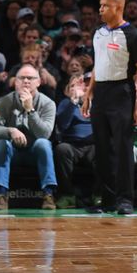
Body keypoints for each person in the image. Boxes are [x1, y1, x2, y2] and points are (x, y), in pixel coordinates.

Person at [81, 0, 137, 215]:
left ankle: (125, 199)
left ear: (118, 8)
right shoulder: (98, 33)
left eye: (104, 6)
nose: (100, 10)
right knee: (101, 148)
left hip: (122, 92)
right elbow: (97, 65)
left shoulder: (133, 35)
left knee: (122, 147)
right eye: (100, 5)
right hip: (100, 91)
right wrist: (88, 94)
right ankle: (106, 199)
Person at [0, 63, 58, 210]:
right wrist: (10, 131)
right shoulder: (5, 101)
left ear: (38, 82)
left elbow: (45, 134)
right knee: (1, 143)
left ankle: (48, 194)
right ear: (15, 82)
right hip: (12, 152)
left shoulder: (48, 104)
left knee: (44, 144)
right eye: (22, 78)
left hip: (34, 153)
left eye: (31, 78)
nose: (26, 81)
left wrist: (30, 110)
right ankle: (1, 195)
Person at [53, 74, 96, 208]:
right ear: (68, 90)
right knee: (61, 149)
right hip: (72, 145)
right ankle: (67, 195)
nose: (79, 87)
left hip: (93, 145)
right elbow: (62, 126)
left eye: (82, 84)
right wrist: (73, 102)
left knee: (105, 149)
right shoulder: (66, 104)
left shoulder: (98, 103)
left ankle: (99, 194)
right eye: (74, 85)